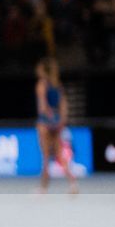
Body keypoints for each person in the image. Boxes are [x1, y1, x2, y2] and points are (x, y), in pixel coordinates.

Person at [35, 58, 77, 195]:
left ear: (43, 70)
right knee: (59, 155)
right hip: (57, 122)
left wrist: (48, 117)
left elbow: (42, 107)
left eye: (39, 68)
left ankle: (43, 188)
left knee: (46, 157)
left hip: (45, 123)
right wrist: (60, 120)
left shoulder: (41, 85)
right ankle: (73, 184)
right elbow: (63, 106)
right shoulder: (57, 85)